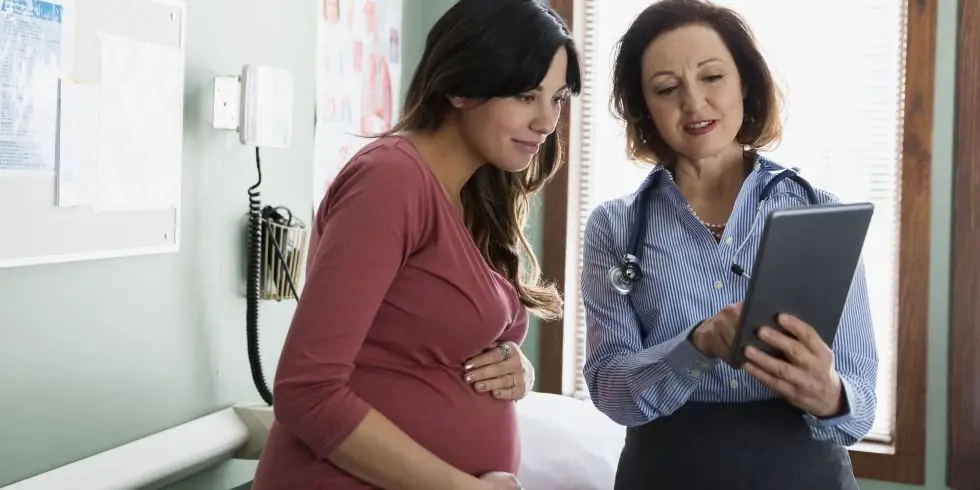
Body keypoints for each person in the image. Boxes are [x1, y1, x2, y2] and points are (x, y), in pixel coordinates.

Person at [252, 1, 582, 489]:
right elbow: (307, 392)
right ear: (461, 87)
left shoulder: (476, 192)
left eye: (557, 98)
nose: (547, 122)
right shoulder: (391, 181)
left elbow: (436, 338)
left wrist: (515, 369)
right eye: (526, 95)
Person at [580, 1, 877, 489]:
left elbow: (860, 405)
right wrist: (693, 347)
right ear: (644, 108)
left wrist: (828, 393)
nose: (694, 104)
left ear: (746, 83)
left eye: (713, 77)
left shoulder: (818, 213)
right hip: (667, 471)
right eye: (667, 89)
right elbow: (611, 393)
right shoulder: (615, 227)